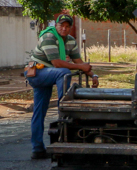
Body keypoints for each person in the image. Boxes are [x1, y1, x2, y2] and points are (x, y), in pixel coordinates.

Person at [24, 13, 95, 160]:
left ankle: (37, 149)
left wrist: (92, 75)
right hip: (37, 74)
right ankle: (64, 107)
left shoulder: (70, 41)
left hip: (50, 73)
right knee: (63, 72)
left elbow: (79, 62)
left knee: (39, 111)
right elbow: (57, 63)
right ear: (55, 26)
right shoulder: (49, 37)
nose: (64, 28)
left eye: (67, 26)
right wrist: (82, 67)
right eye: (61, 25)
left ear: (70, 28)